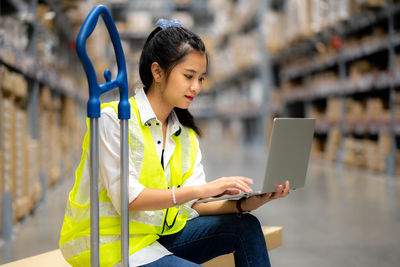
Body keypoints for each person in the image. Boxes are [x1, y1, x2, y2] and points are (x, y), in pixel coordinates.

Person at [59, 19, 290, 267]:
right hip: (111, 246)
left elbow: (193, 206)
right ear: (157, 72)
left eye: (201, 78)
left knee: (246, 226)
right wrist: (203, 190)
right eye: (189, 76)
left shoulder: (185, 134)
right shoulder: (114, 120)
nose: (196, 87)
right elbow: (128, 199)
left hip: (155, 239)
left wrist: (244, 204)